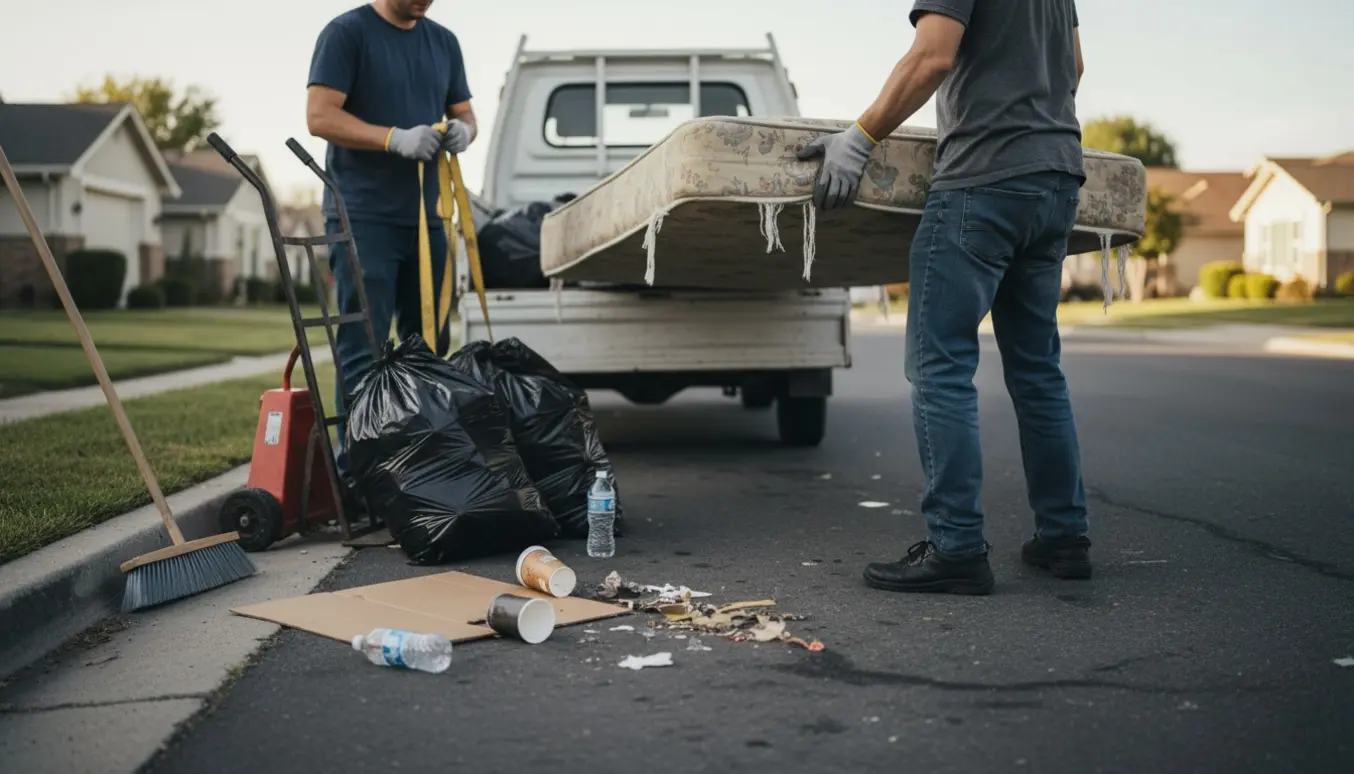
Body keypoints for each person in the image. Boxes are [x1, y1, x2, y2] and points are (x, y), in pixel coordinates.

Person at [799, 0, 1090, 594]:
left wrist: (859, 138)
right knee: (1037, 370)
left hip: (983, 181)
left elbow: (933, 54)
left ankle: (956, 547)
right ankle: (1064, 538)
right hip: (1057, 178)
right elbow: (1075, 66)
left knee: (940, 365)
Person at [305, 0, 476, 476]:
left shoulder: (443, 42)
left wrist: (465, 130)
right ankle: (362, 474)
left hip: (427, 218)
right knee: (365, 345)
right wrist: (392, 138)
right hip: (363, 217)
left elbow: (465, 112)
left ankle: (420, 467)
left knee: (430, 343)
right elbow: (319, 116)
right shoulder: (346, 34)